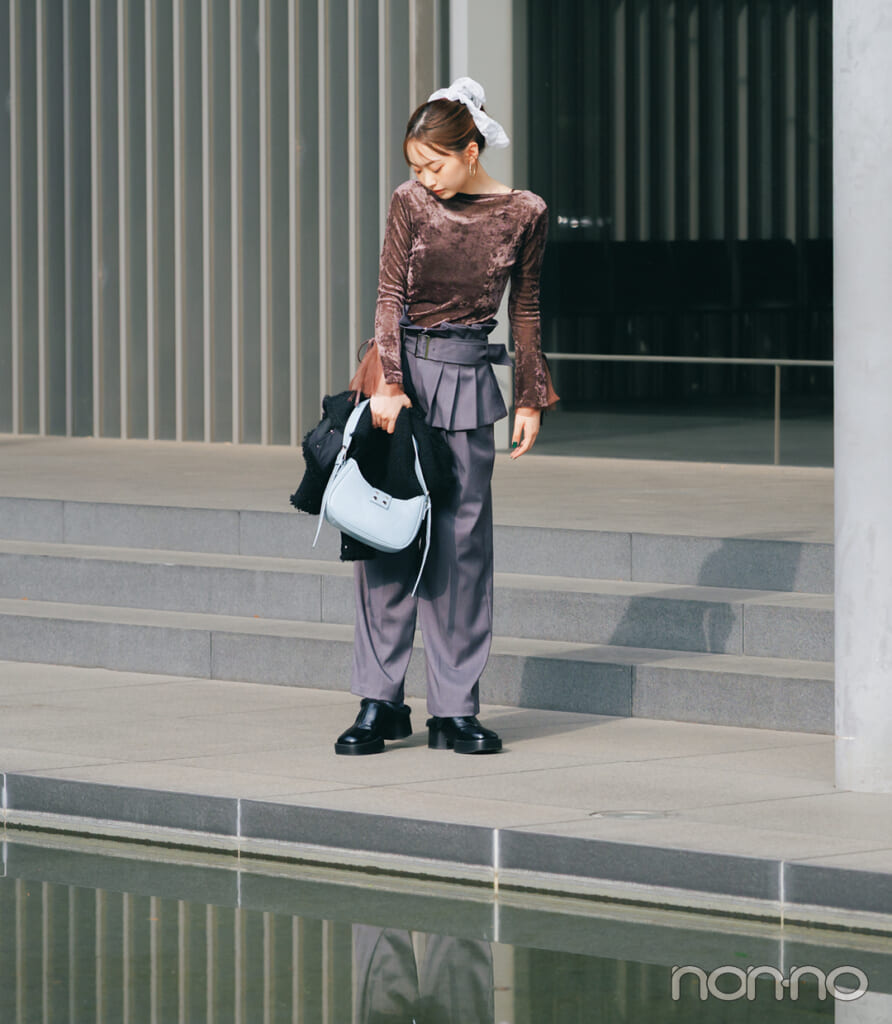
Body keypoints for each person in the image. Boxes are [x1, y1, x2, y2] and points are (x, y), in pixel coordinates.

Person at [335, 76, 559, 757]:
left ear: (470, 150)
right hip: (399, 386)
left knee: (461, 553)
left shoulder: (524, 212)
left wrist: (529, 395)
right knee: (385, 539)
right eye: (415, 167)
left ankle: (454, 710)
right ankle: (380, 702)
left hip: (467, 384)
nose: (423, 179)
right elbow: (387, 294)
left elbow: (525, 308)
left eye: (433, 164)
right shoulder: (409, 204)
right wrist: (392, 385)